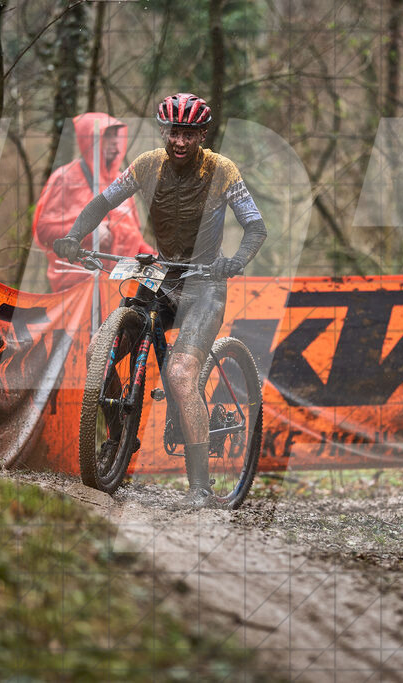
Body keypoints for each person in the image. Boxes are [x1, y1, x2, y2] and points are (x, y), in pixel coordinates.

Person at [53, 93, 267, 507]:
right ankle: (120, 435)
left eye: (188, 133)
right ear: (163, 131)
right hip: (163, 277)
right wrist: (74, 236)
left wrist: (234, 261)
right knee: (106, 348)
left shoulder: (223, 170)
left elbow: (255, 227)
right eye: (173, 131)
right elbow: (102, 201)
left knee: (182, 375)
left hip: (205, 285)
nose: (179, 141)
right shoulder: (147, 164)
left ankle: (201, 488)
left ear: (201, 134)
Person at [33, 113, 154, 291]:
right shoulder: (65, 178)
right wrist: (90, 233)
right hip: (78, 288)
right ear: (90, 140)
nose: (114, 142)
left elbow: (133, 237)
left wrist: (156, 258)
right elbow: (43, 229)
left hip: (119, 288)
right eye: (107, 136)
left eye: (116, 135)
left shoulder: (122, 181)